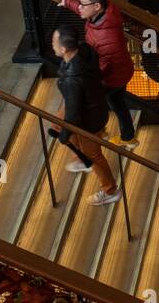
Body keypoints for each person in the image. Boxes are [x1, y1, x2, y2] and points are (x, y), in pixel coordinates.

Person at [59, 0, 139, 150]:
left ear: (97, 6)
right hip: (121, 72)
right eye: (79, 2)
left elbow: (101, 67)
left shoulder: (107, 37)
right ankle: (128, 137)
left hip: (111, 78)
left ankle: (98, 132)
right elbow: (81, 8)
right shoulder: (103, 14)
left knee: (94, 104)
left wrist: (85, 80)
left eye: (83, 4)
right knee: (118, 104)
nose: (80, 7)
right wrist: (67, 1)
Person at [51, 25, 122, 206]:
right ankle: (82, 154)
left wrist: (65, 136)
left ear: (64, 49)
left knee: (93, 156)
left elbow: (74, 115)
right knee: (56, 125)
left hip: (89, 119)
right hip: (95, 106)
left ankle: (110, 191)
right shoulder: (85, 51)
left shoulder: (72, 79)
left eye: (54, 42)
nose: (52, 45)